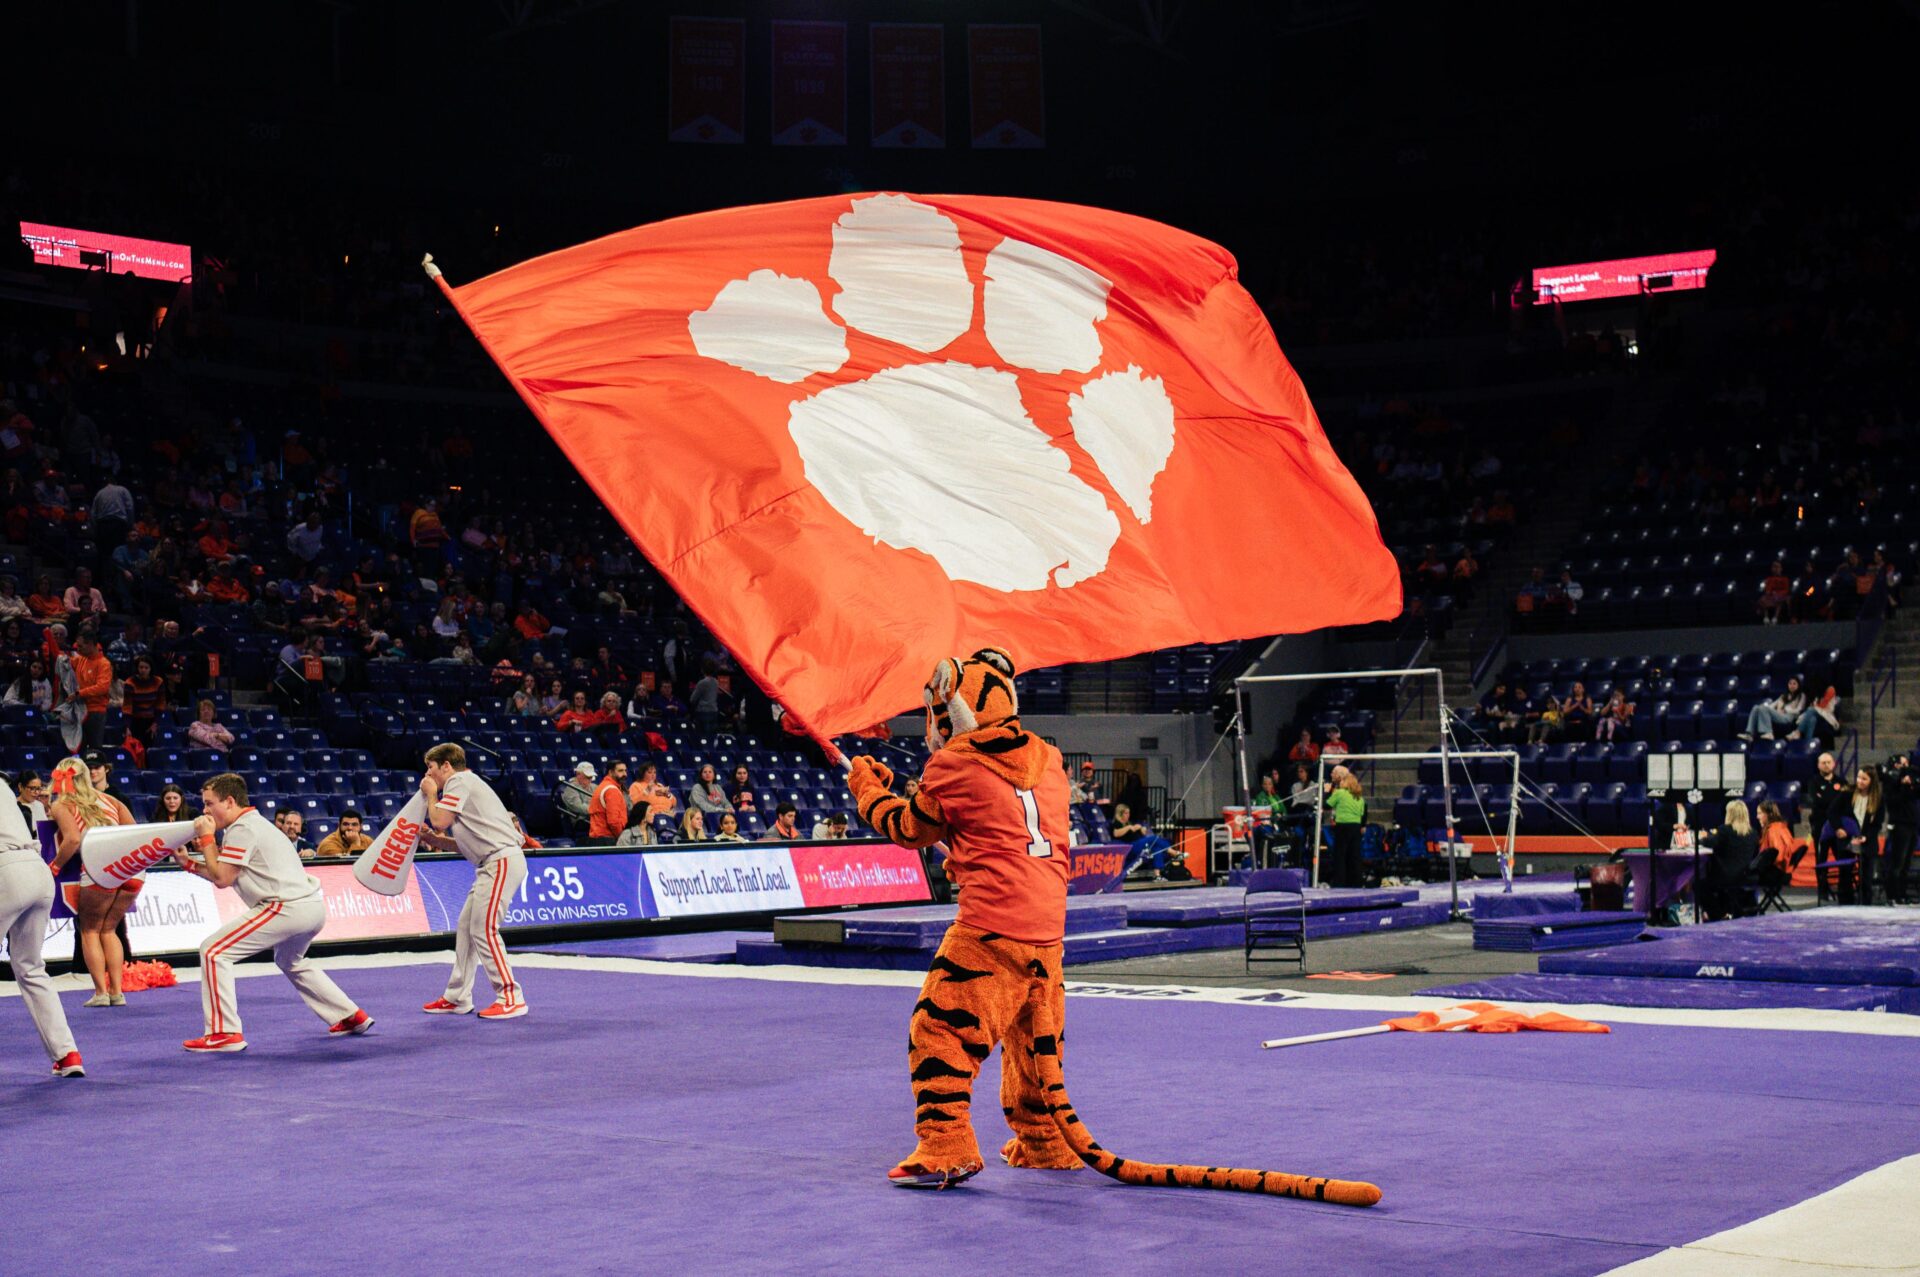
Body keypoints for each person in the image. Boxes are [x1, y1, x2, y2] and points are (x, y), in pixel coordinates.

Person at [842, 648, 1080, 1187]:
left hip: (991, 927)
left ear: (951, 710)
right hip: (1048, 933)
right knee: (1032, 1044)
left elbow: (909, 829)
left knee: (940, 1031)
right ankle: (1045, 1142)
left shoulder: (954, 763)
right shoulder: (1052, 761)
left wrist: (867, 789)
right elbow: (1000, 821)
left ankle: (946, 1145)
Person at [172, 773, 372, 1053]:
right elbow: (226, 872)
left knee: (213, 951)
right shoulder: (252, 825)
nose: (205, 811)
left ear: (229, 801)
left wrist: (206, 839)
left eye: (209, 803)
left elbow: (222, 879)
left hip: (285, 908)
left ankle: (223, 1033)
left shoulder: (242, 829)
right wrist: (190, 864)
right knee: (289, 960)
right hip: (310, 907)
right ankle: (349, 1015)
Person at [417, 743, 529, 1020]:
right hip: (493, 861)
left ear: (446, 765)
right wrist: (434, 840)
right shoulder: (466, 784)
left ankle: (511, 997)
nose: (428, 774)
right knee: (467, 928)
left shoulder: (458, 781)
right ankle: (457, 997)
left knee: (483, 929)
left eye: (430, 768)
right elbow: (469, 842)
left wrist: (431, 794)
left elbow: (439, 820)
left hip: (500, 861)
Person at [0, 772, 84, 1077]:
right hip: (36, 869)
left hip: (5, 870)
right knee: (31, 968)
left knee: (29, 967)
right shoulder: (3, 786)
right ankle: (67, 1054)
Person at [45, 756, 138, 1006]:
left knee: (90, 930)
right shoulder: (111, 800)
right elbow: (134, 831)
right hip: (132, 871)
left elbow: (72, 839)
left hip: (100, 869)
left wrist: (54, 867)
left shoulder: (63, 804)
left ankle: (101, 993)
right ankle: (117, 992)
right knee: (109, 930)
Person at [1698, 799, 1760, 921]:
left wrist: (1703, 837)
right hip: (1746, 876)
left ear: (1730, 814)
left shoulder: (1725, 830)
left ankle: (1719, 915)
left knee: (1699, 885)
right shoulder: (1753, 833)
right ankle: (1723, 912)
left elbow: (1709, 843)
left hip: (1725, 876)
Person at [64, 631, 113, 750]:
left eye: (80, 646)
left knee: (94, 749)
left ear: (90, 644)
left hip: (95, 711)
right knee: (77, 748)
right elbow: (63, 662)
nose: (78, 649)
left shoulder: (104, 664)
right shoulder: (81, 659)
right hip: (79, 710)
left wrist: (79, 693)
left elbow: (102, 687)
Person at [1882, 753, 1917, 906]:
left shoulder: (1910, 780)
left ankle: (1902, 894)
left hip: (1912, 823)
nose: (1905, 766)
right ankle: (1892, 895)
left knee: (1906, 863)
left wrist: (1910, 784)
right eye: (1903, 764)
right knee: (1897, 863)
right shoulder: (1890, 781)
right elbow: (1893, 801)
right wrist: (1903, 785)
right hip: (1899, 824)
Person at [1325, 770, 1366, 887]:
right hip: (1356, 827)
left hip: (1343, 826)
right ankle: (1356, 882)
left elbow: (1326, 805)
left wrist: (1327, 791)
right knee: (1354, 856)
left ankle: (1339, 882)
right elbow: (1362, 814)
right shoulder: (1359, 798)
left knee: (1340, 855)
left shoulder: (1340, 793)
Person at [1741, 676, 1809, 741]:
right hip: (1779, 715)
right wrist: (1762, 707)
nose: (1792, 685)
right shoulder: (1783, 696)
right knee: (1756, 708)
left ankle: (1768, 732)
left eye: (1794, 684)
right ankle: (1749, 734)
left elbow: (1799, 710)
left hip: (1789, 717)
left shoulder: (1801, 695)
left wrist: (1786, 709)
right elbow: (1772, 706)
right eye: (1790, 683)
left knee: (1763, 708)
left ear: (1798, 685)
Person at [124, 655, 166, 744]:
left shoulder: (158, 682)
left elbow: (160, 704)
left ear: (151, 669)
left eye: (146, 668)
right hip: (135, 721)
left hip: (151, 721)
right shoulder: (130, 683)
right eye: (141, 667)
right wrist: (127, 727)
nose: (143, 670)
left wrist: (155, 723)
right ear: (137, 668)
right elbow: (127, 706)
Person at [588, 760, 630, 844]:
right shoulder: (611, 790)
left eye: (625, 770)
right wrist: (622, 839)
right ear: (610, 772)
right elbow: (614, 822)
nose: (625, 774)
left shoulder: (603, 786)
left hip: (599, 837)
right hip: (607, 839)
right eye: (620, 771)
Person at [555, 760, 595, 831]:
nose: (590, 780)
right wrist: (597, 810)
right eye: (587, 777)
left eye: (591, 777)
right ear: (578, 774)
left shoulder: (594, 787)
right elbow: (578, 807)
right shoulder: (570, 789)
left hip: (593, 818)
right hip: (581, 821)